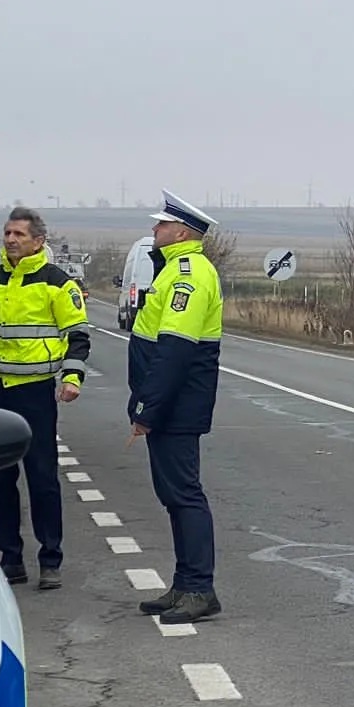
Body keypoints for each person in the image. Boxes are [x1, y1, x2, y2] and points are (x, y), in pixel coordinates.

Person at [0, 207, 90, 589]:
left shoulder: (58, 284)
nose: (10, 240)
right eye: (7, 233)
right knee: (1, 481)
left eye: (19, 234)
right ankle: (11, 559)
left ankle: (50, 560)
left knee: (42, 479)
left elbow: (77, 336)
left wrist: (72, 378)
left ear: (38, 241)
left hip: (37, 394)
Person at [129, 190, 226, 625]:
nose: (154, 230)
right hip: (171, 403)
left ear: (181, 231)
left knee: (184, 495)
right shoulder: (172, 270)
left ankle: (199, 588)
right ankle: (185, 583)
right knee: (173, 495)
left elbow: (174, 350)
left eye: (161, 225)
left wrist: (148, 407)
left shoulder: (189, 274)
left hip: (177, 405)